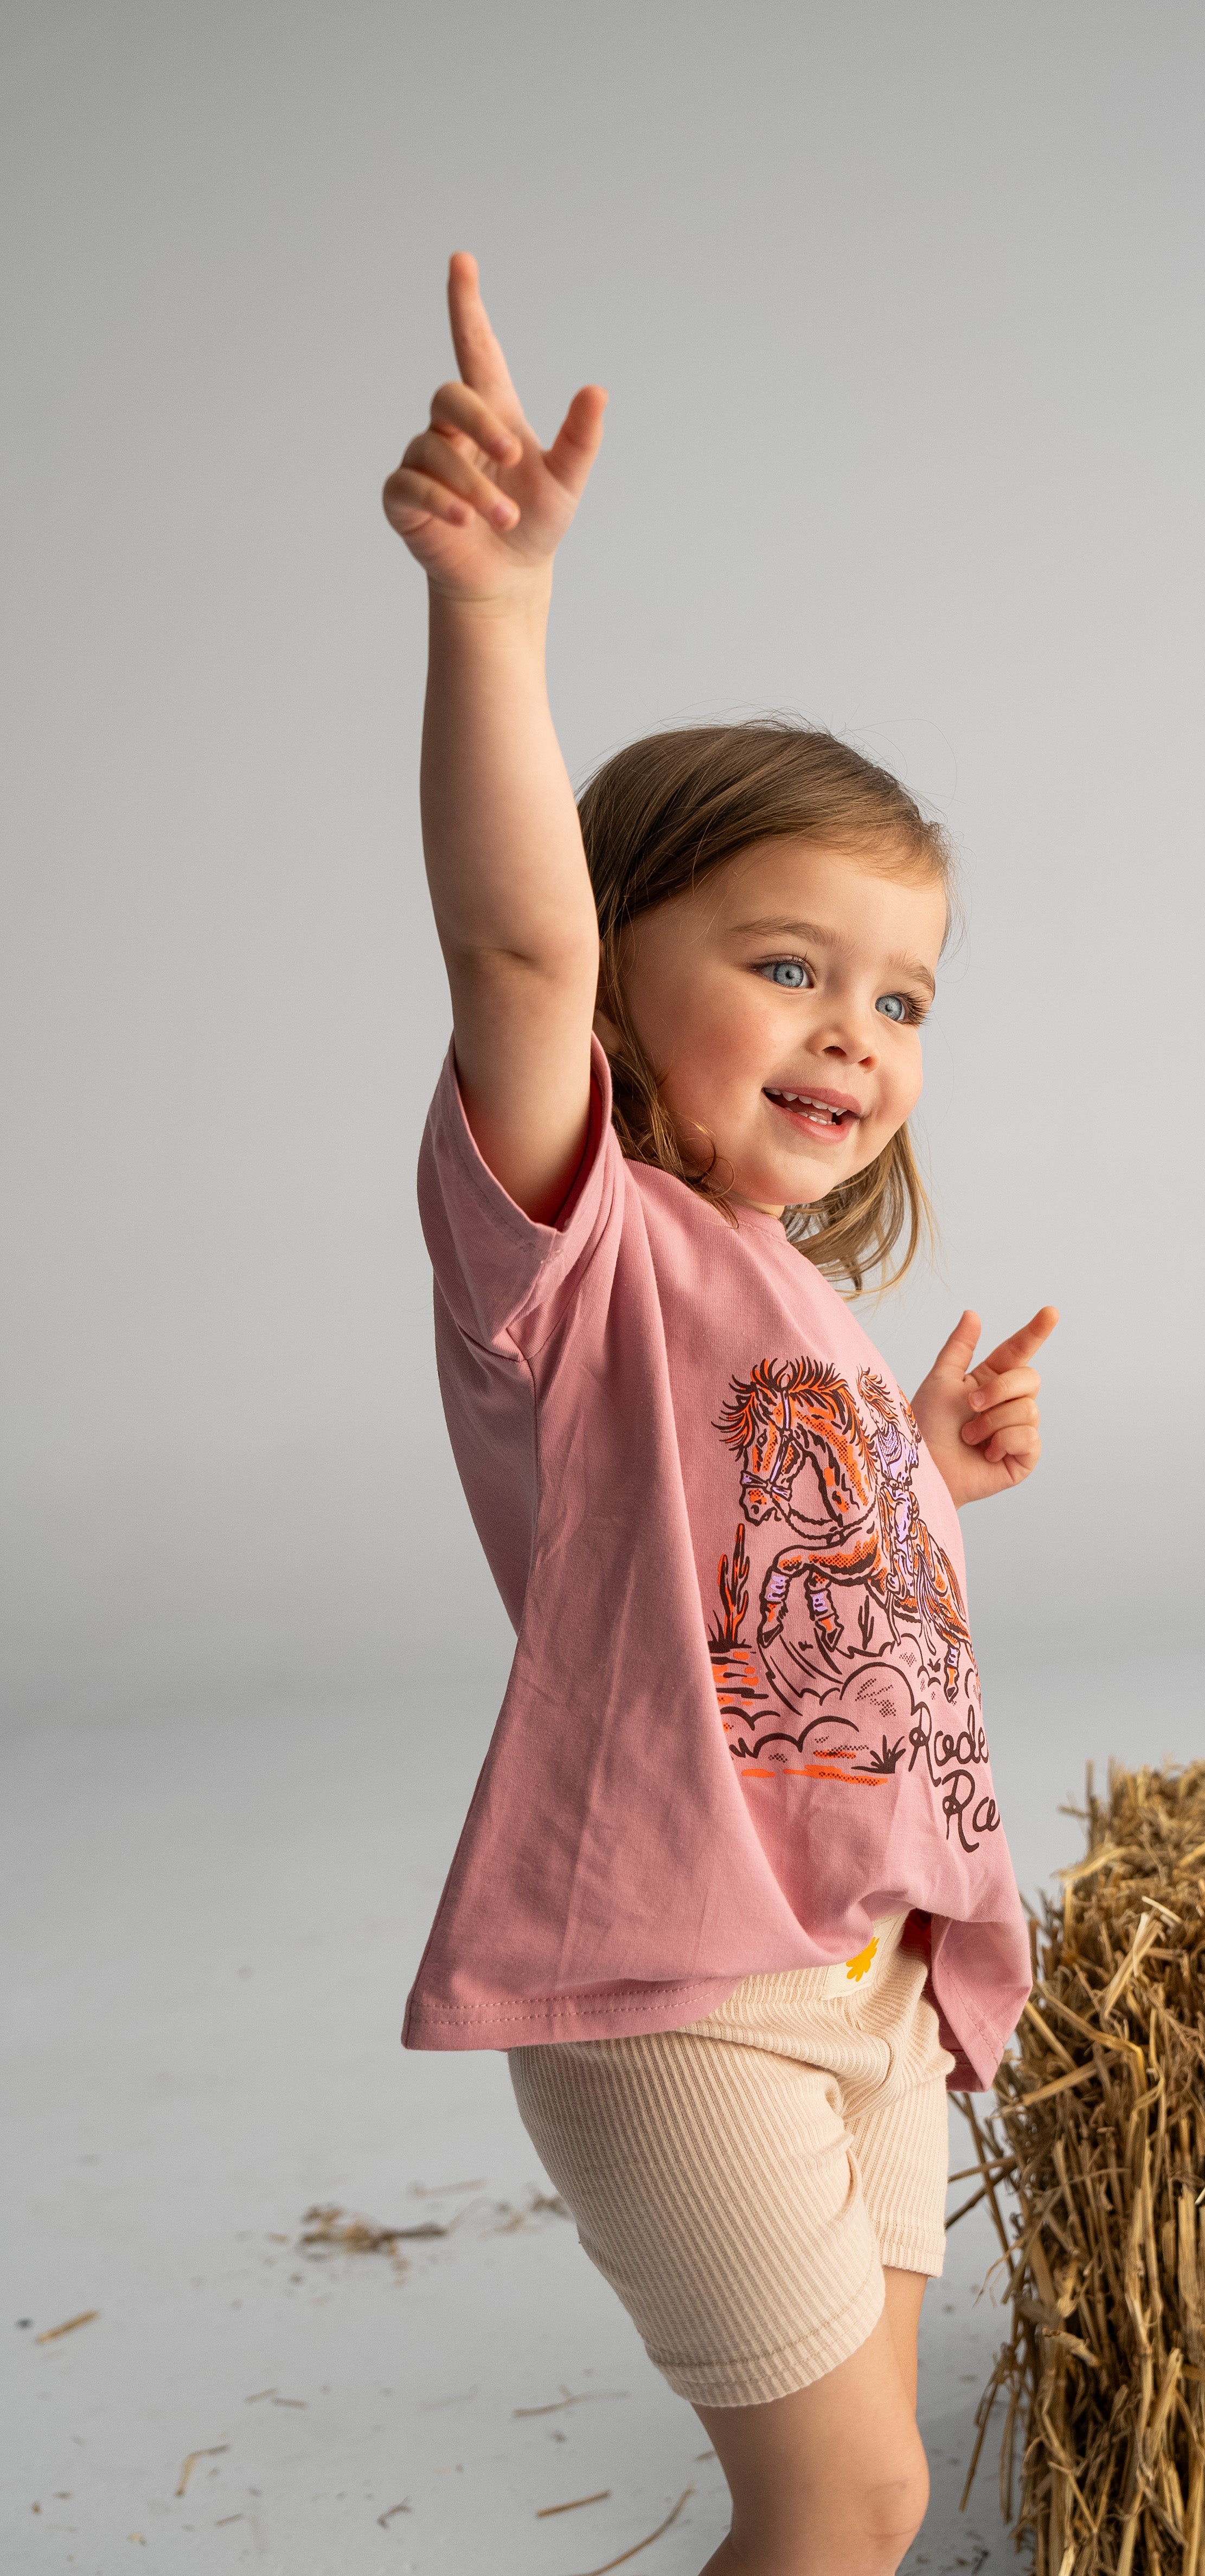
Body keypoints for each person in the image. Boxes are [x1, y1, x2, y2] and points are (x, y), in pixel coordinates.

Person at [382, 253, 1057, 2576]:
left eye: (899, 994)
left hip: (863, 1984)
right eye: (786, 966)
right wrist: (499, 608)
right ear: (629, 957)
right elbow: (512, 950)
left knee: (866, 2493)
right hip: (686, 1993)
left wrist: (928, 1473)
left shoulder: (794, 1310)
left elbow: (795, 1601)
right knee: (849, 2496)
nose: (854, 1030)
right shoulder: (573, 1239)